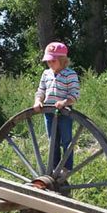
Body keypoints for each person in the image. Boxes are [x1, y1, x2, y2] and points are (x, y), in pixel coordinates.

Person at [33, 41, 80, 171]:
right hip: (49, 112)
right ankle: (54, 169)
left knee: (66, 142)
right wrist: (38, 101)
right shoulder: (46, 74)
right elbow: (41, 90)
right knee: (53, 142)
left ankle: (66, 169)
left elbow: (74, 95)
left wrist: (65, 102)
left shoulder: (70, 74)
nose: (50, 63)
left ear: (62, 60)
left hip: (65, 113)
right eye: (48, 61)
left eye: (53, 61)